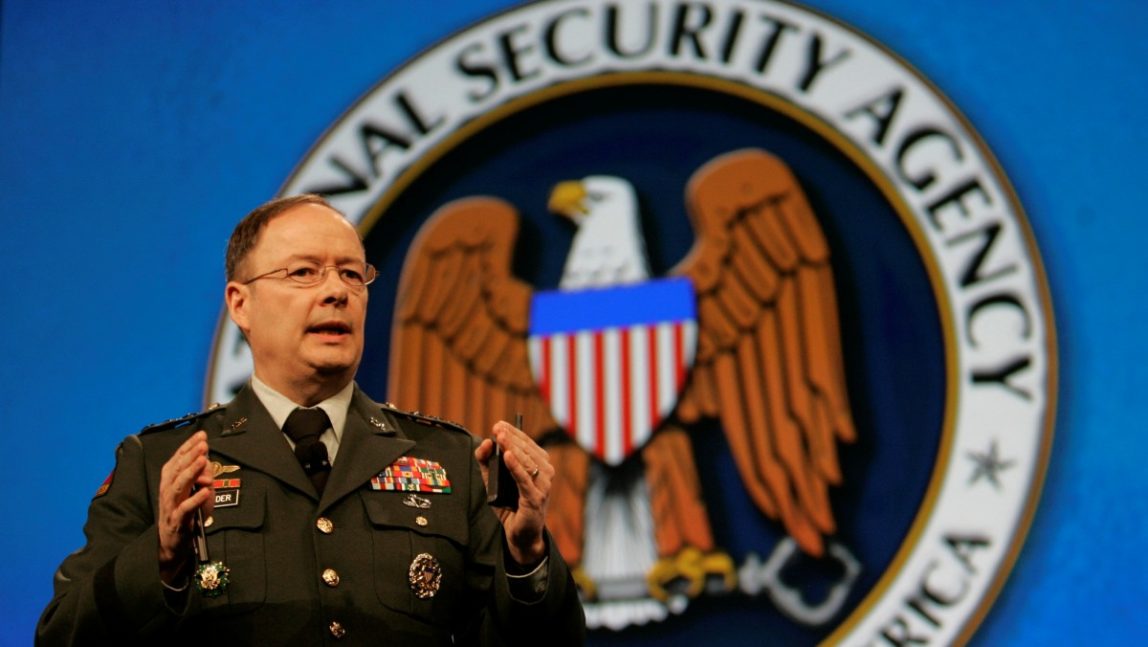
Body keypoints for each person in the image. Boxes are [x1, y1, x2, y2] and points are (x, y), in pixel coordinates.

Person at [36, 194, 585, 645]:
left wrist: (527, 558)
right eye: (303, 272)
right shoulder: (157, 463)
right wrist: (157, 558)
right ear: (240, 304)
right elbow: (61, 636)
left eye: (352, 274)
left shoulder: (451, 461)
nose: (336, 292)